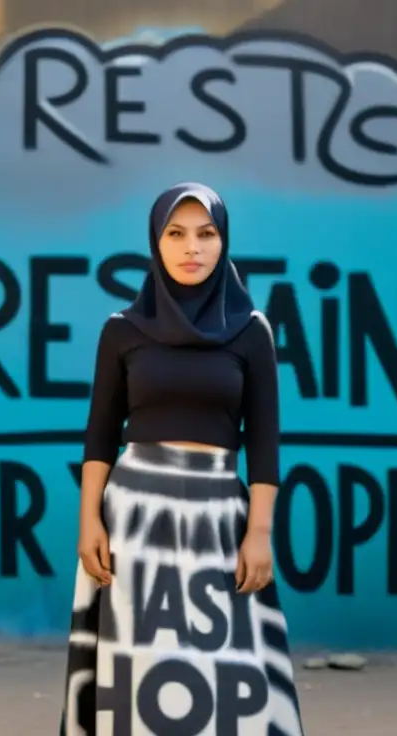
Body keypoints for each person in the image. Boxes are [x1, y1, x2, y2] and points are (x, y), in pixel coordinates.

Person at [60, 182, 305, 735]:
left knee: (226, 676)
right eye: (176, 234)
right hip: (135, 518)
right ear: (156, 241)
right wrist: (89, 521)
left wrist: (259, 532)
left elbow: (264, 442)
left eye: (206, 234)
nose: (191, 247)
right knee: (135, 675)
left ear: (223, 243)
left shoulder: (251, 330)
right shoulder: (121, 330)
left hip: (220, 517)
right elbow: (100, 435)